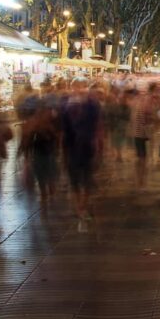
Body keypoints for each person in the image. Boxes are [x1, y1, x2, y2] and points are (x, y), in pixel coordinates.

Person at [61, 79, 101, 228]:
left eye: (81, 87)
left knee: (86, 180)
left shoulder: (91, 105)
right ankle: (80, 207)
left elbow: (97, 125)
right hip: (73, 148)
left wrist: (97, 143)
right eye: (76, 87)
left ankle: (82, 206)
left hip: (86, 147)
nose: (78, 90)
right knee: (76, 181)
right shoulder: (66, 105)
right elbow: (63, 130)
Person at [21, 96, 60, 208]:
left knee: (44, 177)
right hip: (43, 154)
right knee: (46, 177)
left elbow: (25, 141)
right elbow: (26, 140)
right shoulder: (42, 122)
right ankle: (46, 197)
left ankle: (46, 197)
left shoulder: (35, 123)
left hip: (43, 154)